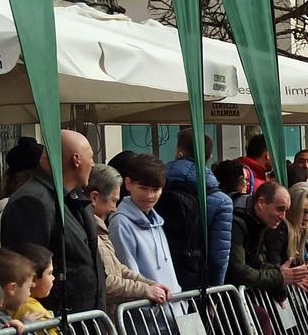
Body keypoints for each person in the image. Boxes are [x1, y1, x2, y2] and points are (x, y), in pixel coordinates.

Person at [0, 129, 103, 318]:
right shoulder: (32, 201)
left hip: (84, 322)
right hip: (53, 326)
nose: (93, 164)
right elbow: (26, 271)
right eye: (91, 158)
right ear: (76, 160)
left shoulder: (74, 197)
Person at [86, 165, 170, 309]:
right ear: (94, 197)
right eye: (113, 201)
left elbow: (118, 268)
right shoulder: (94, 232)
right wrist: (145, 290)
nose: (114, 209)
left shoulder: (99, 231)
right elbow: (104, 281)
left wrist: (150, 284)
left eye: (155, 190)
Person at [226, 180, 308, 299]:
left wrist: (289, 274)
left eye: (286, 210)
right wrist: (279, 277)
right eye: (280, 209)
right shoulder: (236, 222)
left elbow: (258, 263)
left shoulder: (260, 222)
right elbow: (238, 270)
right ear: (261, 203)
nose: (283, 217)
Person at [108, 154, 183, 296]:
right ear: (128, 184)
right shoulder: (120, 224)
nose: (149, 196)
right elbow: (129, 275)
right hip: (148, 312)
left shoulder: (157, 222)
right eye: (143, 188)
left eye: (155, 190)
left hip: (173, 308)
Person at [165, 131, 232, 290]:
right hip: (196, 280)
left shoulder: (156, 187)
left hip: (161, 279)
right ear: (209, 157)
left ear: (179, 152)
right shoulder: (222, 201)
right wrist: (215, 291)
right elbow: (219, 257)